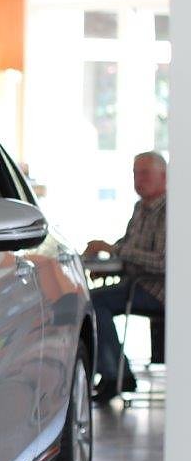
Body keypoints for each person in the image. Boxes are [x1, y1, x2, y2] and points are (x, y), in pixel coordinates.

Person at [83, 150, 166, 404]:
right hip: (136, 283)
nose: (138, 180)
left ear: (164, 177)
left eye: (145, 173)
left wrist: (113, 250)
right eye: (135, 173)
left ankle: (115, 374)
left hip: (159, 289)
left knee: (95, 301)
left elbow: (164, 262)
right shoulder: (141, 207)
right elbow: (128, 246)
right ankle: (114, 371)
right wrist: (108, 263)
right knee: (89, 298)